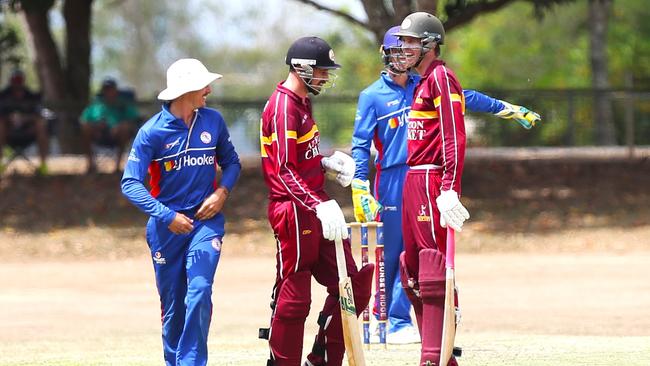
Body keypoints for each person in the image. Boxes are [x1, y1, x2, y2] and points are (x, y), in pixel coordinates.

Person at [351, 27, 541, 345]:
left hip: (425, 176)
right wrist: (360, 183)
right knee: (396, 251)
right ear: (385, 55)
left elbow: (465, 99)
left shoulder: (424, 83)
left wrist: (505, 108)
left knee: (426, 249)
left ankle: (406, 320)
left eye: (407, 48)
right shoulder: (372, 95)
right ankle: (394, 319)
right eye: (396, 50)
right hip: (392, 178)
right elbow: (360, 144)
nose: (402, 55)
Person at [259, 36, 374, 366]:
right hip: (293, 209)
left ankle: (321, 358)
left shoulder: (303, 102)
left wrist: (323, 163)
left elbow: (298, 158)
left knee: (351, 284)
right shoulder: (282, 107)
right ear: (302, 68)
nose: (325, 77)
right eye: (322, 71)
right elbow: (282, 170)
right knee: (295, 296)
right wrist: (317, 203)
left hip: (313, 204)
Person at [121, 58, 241, 366]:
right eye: (204, 85)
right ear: (186, 90)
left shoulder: (213, 121)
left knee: (200, 291)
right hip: (166, 230)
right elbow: (130, 184)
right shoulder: (151, 133)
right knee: (173, 306)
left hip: (206, 224)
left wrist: (221, 192)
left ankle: (191, 363)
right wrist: (167, 216)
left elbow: (232, 163)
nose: (209, 90)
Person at [392, 12, 469, 366]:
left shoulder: (442, 78)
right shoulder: (420, 82)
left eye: (410, 41)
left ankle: (432, 358)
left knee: (433, 268)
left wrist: (450, 187)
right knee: (409, 271)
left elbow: (454, 136)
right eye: (402, 41)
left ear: (430, 44)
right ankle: (440, 357)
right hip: (411, 180)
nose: (403, 47)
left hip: (431, 179)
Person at [80, 77, 139, 173]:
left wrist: (119, 127)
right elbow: (83, 120)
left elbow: (133, 119)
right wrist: (96, 127)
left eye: (111, 89)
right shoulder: (96, 105)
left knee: (125, 129)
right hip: (98, 134)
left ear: (116, 90)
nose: (109, 92)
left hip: (117, 135)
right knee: (86, 128)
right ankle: (90, 165)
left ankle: (118, 167)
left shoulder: (123, 104)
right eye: (106, 90)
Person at [0, 69, 49, 174]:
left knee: (41, 124)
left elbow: (39, 114)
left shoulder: (31, 96)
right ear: (11, 81)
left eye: (19, 80)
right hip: (8, 134)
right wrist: (10, 119)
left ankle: (43, 165)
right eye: (15, 80)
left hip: (28, 133)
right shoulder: (3, 96)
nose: (17, 83)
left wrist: (26, 118)